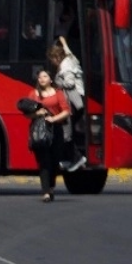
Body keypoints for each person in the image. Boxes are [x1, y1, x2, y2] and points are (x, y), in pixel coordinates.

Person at [29, 69, 71, 203]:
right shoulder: (33, 94)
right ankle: (46, 191)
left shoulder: (58, 93)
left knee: (55, 160)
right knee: (44, 161)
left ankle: (51, 187)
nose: (42, 79)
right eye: (40, 77)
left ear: (50, 79)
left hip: (56, 130)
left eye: (45, 76)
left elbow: (66, 111)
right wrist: (38, 114)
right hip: (40, 130)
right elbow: (27, 114)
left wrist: (54, 119)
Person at [48, 37, 87, 172]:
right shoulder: (71, 58)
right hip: (79, 101)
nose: (52, 63)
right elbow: (68, 52)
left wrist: (57, 84)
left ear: (56, 58)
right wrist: (64, 42)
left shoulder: (65, 67)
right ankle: (67, 159)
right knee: (66, 131)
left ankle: (75, 158)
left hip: (73, 102)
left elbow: (69, 83)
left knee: (66, 132)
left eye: (52, 60)